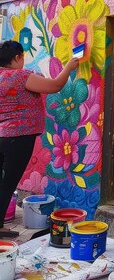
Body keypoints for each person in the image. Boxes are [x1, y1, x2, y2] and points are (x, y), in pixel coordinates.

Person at [0, 40, 79, 238]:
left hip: (3, 135)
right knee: (8, 182)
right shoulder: (20, 76)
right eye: (22, 58)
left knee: (3, 181)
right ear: (17, 57)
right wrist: (69, 67)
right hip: (18, 138)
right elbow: (55, 85)